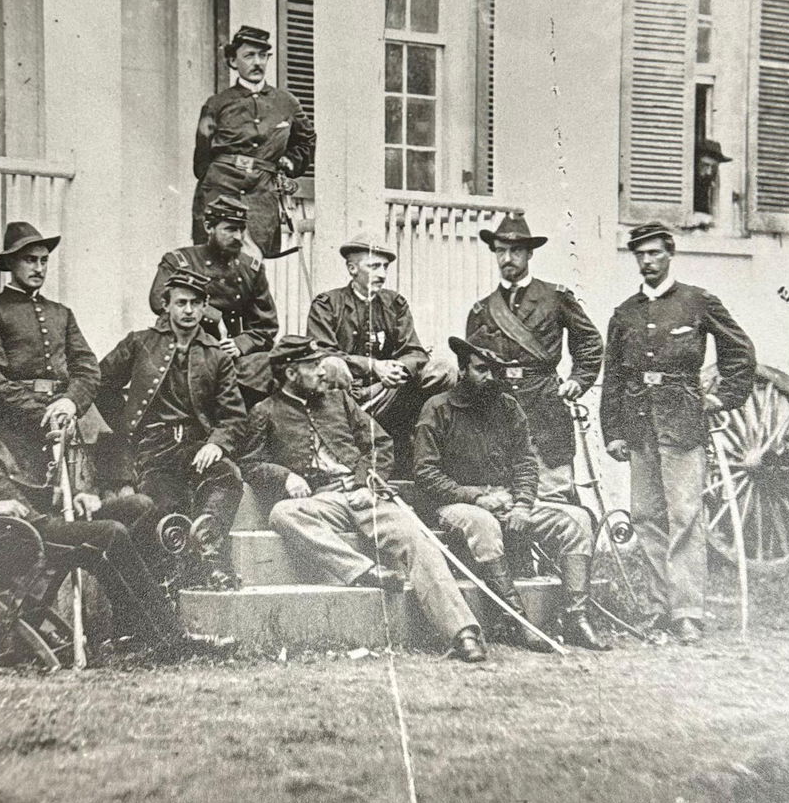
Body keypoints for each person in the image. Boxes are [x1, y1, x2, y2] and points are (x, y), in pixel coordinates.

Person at [0, 348, 232, 661]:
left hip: (30, 524)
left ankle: (134, 633)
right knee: (110, 534)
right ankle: (170, 640)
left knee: (137, 505)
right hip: (1, 541)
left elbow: (16, 490)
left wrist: (66, 498)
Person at [230, 335, 487, 664]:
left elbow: (379, 443)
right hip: (322, 500)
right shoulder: (265, 412)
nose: (323, 372)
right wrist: (285, 476)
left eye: (322, 364)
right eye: (312, 366)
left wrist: (366, 479)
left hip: (366, 492)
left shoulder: (341, 402)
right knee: (282, 513)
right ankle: (362, 571)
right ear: (290, 373)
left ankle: (463, 633)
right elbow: (249, 463)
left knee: (417, 539)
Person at [599, 222, 757, 645]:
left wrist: (725, 398)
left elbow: (740, 349)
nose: (647, 262)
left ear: (670, 254)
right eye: (640, 255)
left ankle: (687, 612)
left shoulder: (697, 302)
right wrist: (612, 430)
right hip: (638, 424)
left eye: (654, 253)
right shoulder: (624, 313)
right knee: (646, 516)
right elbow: (612, 374)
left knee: (685, 515)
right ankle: (656, 608)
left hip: (683, 422)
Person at [414, 337, 607, 652]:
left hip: (508, 502)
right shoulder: (437, 409)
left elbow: (526, 463)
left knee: (576, 520)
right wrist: (475, 496)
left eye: (493, 370)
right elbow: (425, 472)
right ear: (462, 370)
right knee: (483, 524)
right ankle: (519, 621)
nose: (488, 377)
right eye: (480, 369)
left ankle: (577, 618)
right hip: (455, 506)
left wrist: (522, 505)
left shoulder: (508, 407)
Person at [96, 269, 247, 591]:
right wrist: (124, 423)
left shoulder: (216, 355)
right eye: (181, 302)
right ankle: (172, 576)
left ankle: (210, 554)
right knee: (165, 504)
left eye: (196, 303)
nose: (189, 310)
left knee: (227, 475)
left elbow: (233, 414)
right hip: (153, 446)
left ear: (205, 306)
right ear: (166, 305)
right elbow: (100, 381)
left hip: (196, 445)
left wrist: (217, 443)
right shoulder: (140, 343)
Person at [465, 210, 604, 502]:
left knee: (553, 494)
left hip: (545, 405)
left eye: (515, 251)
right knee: (505, 497)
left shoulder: (555, 297)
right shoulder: (482, 310)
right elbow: (470, 366)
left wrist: (578, 380)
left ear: (529, 254)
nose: (507, 258)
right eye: (500, 251)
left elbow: (589, 341)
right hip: (498, 408)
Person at [0, 221, 101, 479]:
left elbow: (87, 368)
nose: (39, 268)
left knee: (75, 499)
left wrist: (70, 402)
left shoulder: (61, 313)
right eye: (30, 260)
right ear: (11, 263)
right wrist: (43, 414)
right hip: (12, 425)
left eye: (44, 261)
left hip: (64, 418)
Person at [305, 233, 453, 467]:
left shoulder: (395, 304)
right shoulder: (327, 304)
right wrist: (374, 366)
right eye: (374, 266)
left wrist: (397, 368)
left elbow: (415, 352)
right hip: (346, 398)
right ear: (352, 268)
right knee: (331, 365)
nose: (382, 274)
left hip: (388, 392)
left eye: (384, 267)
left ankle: (430, 454)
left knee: (443, 369)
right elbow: (320, 354)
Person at [191, 24, 316, 259]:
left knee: (252, 264)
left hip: (261, 194)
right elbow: (202, 158)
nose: (257, 62)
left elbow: (306, 139)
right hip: (220, 190)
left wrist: (289, 162)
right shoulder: (216, 104)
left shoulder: (286, 103)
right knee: (214, 262)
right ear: (233, 61)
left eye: (262, 55)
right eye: (249, 55)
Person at [149, 194, 280, 407]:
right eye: (230, 229)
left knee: (272, 365)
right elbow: (159, 302)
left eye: (241, 229)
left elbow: (266, 327)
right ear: (209, 227)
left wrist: (239, 345)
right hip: (184, 351)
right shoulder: (179, 262)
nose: (238, 237)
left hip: (232, 359)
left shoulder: (251, 269)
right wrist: (214, 317)